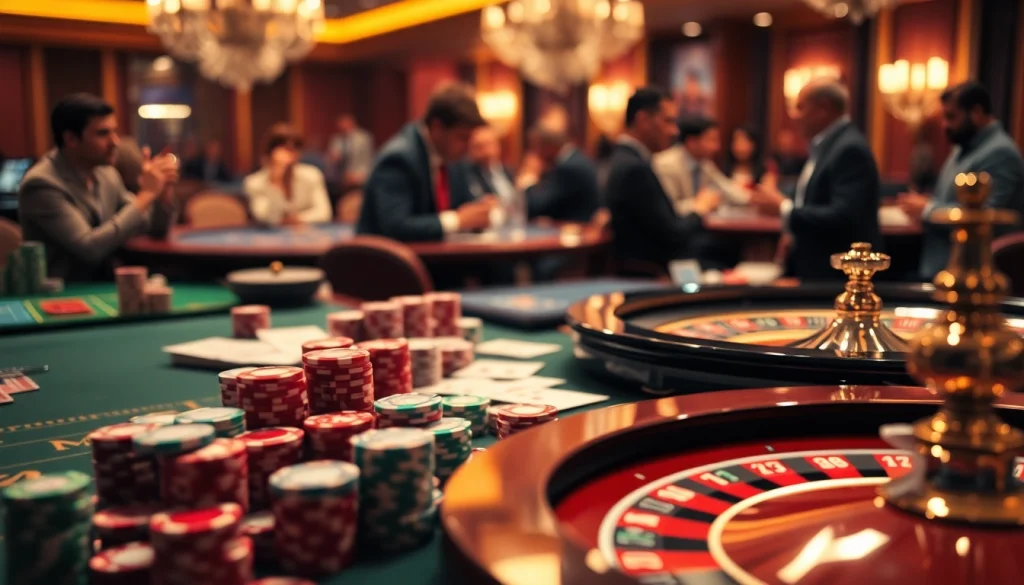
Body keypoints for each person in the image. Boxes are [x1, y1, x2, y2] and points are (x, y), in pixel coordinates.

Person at [18, 93, 179, 282]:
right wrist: (146, 194)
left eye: (114, 131)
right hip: (59, 295)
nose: (115, 142)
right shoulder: (41, 184)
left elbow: (151, 228)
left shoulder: (106, 174)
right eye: (103, 133)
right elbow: (90, 248)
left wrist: (161, 193)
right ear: (71, 139)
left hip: (104, 286)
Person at [749, 79, 881, 281]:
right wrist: (793, 233)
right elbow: (813, 198)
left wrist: (784, 209)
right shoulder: (826, 145)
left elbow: (843, 216)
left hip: (837, 276)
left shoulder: (849, 149)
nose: (794, 116)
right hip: (816, 266)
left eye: (801, 107)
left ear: (823, 108)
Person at [897, 82, 1024, 281]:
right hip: (943, 267)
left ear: (976, 112)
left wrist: (927, 210)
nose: (944, 125)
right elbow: (949, 198)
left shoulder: (1001, 152)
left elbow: (984, 216)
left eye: (951, 117)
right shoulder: (963, 147)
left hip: (973, 275)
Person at [357, 82, 498, 242]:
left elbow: (461, 206)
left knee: (501, 264)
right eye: (462, 138)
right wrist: (457, 221)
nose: (467, 147)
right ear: (437, 127)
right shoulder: (399, 158)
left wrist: (477, 213)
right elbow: (395, 227)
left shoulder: (453, 158)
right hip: (389, 263)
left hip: (440, 257)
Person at [604, 87, 720, 269]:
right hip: (654, 273)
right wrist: (700, 209)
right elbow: (672, 236)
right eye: (668, 121)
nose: (674, 131)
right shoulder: (634, 167)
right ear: (642, 120)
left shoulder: (625, 158)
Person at [653, 116, 750, 217]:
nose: (717, 147)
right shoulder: (666, 164)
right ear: (692, 142)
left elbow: (727, 189)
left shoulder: (705, 164)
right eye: (711, 140)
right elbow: (666, 207)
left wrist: (753, 198)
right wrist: (700, 203)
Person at [243, 123, 332, 226]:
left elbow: (324, 213)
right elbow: (265, 217)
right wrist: (276, 180)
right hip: (272, 239)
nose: (291, 155)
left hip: (308, 235)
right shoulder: (254, 182)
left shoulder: (312, 175)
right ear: (270, 152)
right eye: (285, 149)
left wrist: (297, 219)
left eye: (295, 149)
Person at [518, 123, 599, 223]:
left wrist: (529, 183)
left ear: (547, 146)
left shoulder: (569, 168)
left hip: (579, 231)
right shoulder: (574, 158)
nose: (536, 154)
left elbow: (538, 207)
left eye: (536, 147)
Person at [455, 125, 517, 213]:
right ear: (470, 150)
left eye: (489, 144)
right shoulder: (465, 174)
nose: (486, 152)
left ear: (498, 146)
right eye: (479, 147)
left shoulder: (508, 171)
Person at [328, 114, 375, 190]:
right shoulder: (337, 139)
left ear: (351, 124)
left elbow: (366, 159)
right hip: (341, 178)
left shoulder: (363, 138)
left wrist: (358, 175)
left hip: (360, 175)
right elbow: (332, 159)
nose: (342, 129)